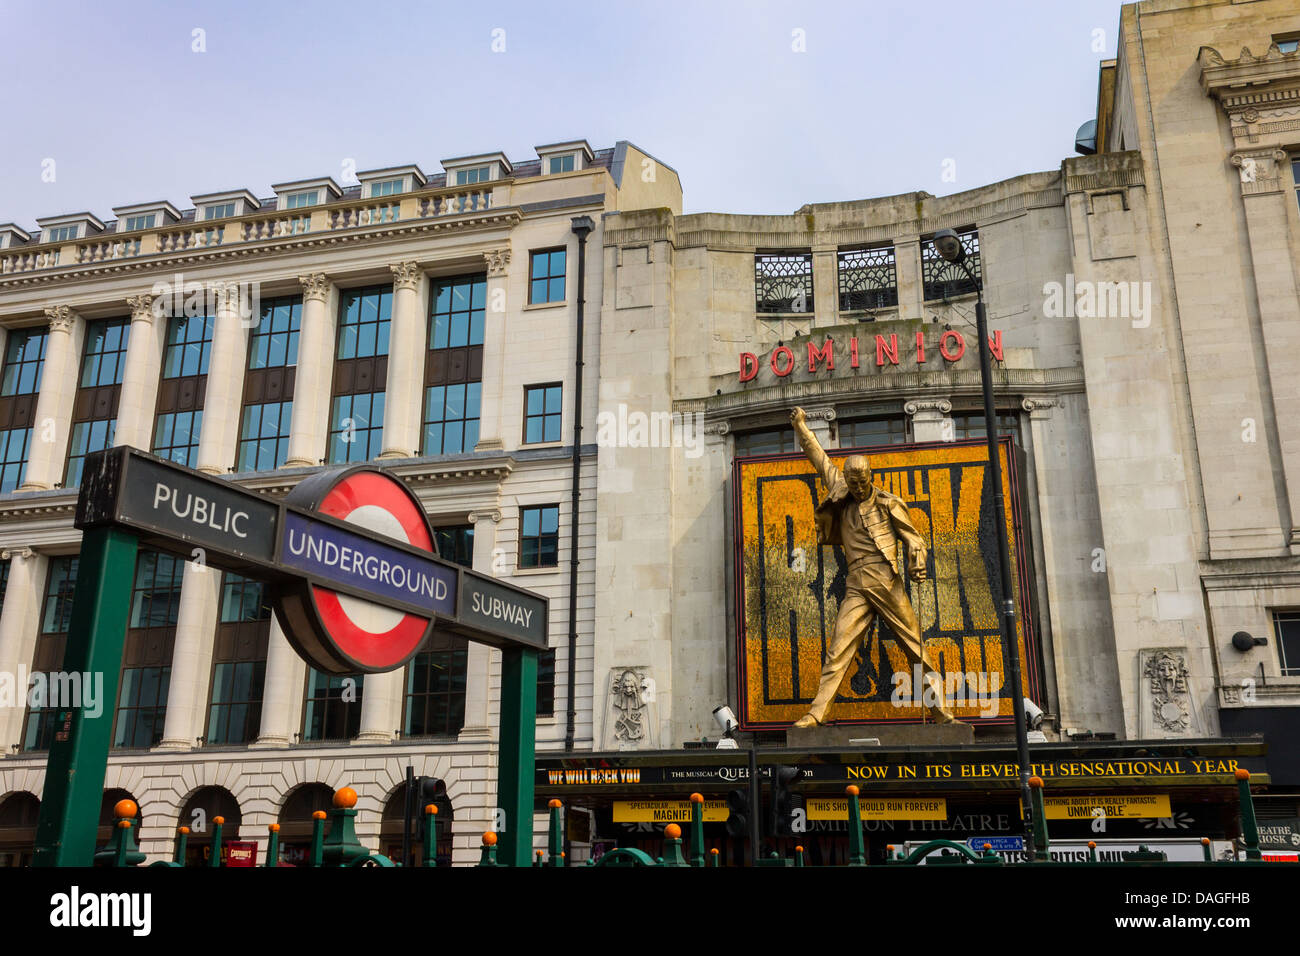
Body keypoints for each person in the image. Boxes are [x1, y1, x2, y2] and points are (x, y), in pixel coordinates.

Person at [789, 406, 959, 727]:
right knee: (839, 648)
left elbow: (915, 539)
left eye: (861, 482)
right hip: (856, 583)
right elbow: (817, 456)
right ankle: (817, 713)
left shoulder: (888, 503)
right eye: (851, 482)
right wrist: (801, 425)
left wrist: (917, 562)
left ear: (870, 478)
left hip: (886, 579)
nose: (856, 487)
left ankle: (940, 712)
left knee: (914, 647)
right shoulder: (841, 490)